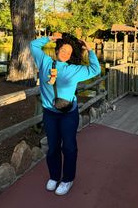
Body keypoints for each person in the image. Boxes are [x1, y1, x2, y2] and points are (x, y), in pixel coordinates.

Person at [30, 32, 101, 196]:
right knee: (53, 146)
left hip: (68, 114)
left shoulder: (74, 69)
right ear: (57, 50)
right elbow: (33, 45)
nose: (65, 54)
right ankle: (54, 176)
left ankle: (68, 179)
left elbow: (95, 69)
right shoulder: (45, 61)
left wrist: (89, 50)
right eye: (63, 50)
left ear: (71, 55)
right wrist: (49, 38)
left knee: (69, 147)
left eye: (69, 52)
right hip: (50, 114)